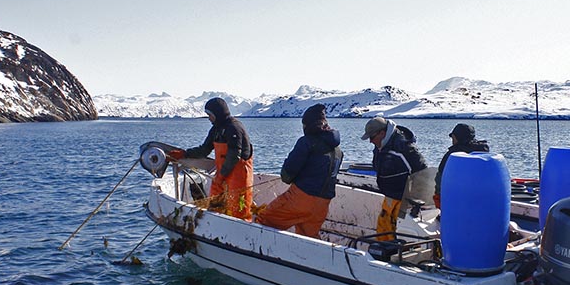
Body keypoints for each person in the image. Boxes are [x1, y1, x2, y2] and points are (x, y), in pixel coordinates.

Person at [256, 104, 343, 239]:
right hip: (323, 204)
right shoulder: (338, 150)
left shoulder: (306, 142)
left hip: (301, 198)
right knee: (309, 238)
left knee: (265, 221)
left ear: (308, 125)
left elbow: (287, 175)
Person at [168, 97, 254, 220]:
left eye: (210, 114)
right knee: (215, 204)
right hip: (222, 174)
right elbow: (204, 150)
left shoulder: (234, 127)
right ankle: (215, 226)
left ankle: (243, 232)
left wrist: (222, 175)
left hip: (238, 175)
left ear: (217, 113)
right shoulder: (216, 129)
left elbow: (235, 155)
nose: (208, 118)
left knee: (240, 208)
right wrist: (184, 154)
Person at [361, 116, 428, 240]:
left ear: (382, 133)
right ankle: (382, 251)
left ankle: (394, 254)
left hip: (404, 200)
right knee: (383, 228)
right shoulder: (380, 146)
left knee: (399, 233)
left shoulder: (404, 147)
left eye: (372, 137)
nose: (370, 141)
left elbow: (422, 172)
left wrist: (416, 198)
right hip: (390, 197)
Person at [433, 123, 490, 208]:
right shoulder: (483, 153)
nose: (452, 140)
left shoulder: (453, 155)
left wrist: (438, 196)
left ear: (457, 138)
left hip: (456, 203)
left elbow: (440, 179)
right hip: (482, 201)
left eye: (453, 137)